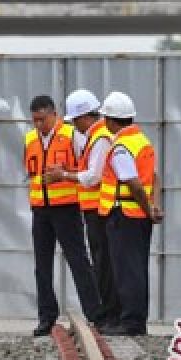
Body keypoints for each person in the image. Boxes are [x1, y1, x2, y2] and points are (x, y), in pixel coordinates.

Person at [23, 94, 101, 337]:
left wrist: (65, 173)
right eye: (34, 120)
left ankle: (94, 314)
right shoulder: (29, 139)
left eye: (42, 120)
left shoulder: (72, 136)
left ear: (54, 114)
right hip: (40, 209)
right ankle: (47, 316)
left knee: (78, 261)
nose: (38, 125)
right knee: (42, 265)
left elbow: (86, 169)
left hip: (66, 207)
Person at [46, 89, 118, 329]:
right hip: (94, 209)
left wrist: (65, 175)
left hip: (99, 209)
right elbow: (87, 170)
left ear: (85, 116)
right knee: (100, 261)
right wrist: (70, 170)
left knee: (104, 263)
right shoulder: (94, 137)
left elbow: (93, 177)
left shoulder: (99, 138)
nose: (73, 125)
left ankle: (108, 315)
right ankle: (106, 315)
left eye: (75, 120)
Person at [97, 91, 163, 336]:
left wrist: (148, 209)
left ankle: (131, 322)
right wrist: (153, 206)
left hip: (124, 214)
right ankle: (136, 320)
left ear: (111, 121)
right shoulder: (142, 141)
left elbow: (133, 183)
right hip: (136, 216)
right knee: (137, 268)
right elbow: (154, 177)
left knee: (127, 270)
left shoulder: (121, 147)